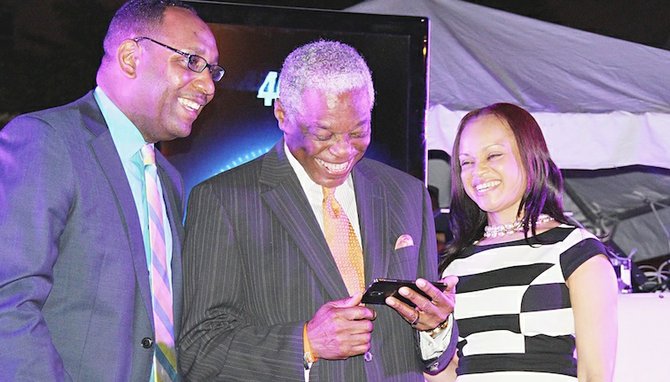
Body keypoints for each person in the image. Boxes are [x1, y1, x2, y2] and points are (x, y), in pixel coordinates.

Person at [178, 40, 458, 381]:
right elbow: (199, 350)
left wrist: (437, 328)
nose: (342, 151)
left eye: (359, 132)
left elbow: (431, 358)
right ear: (282, 113)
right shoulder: (223, 200)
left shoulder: (407, 194)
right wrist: (306, 342)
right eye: (323, 133)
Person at [0, 1, 221, 380]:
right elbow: (9, 304)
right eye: (192, 62)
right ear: (131, 57)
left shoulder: (168, 178)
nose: (208, 86)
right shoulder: (46, 141)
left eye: (214, 71)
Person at [436, 103, 618, 381]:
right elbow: (447, 373)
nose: (478, 172)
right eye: (466, 162)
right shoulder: (455, 265)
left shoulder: (575, 250)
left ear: (530, 156)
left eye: (493, 155)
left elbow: (595, 374)